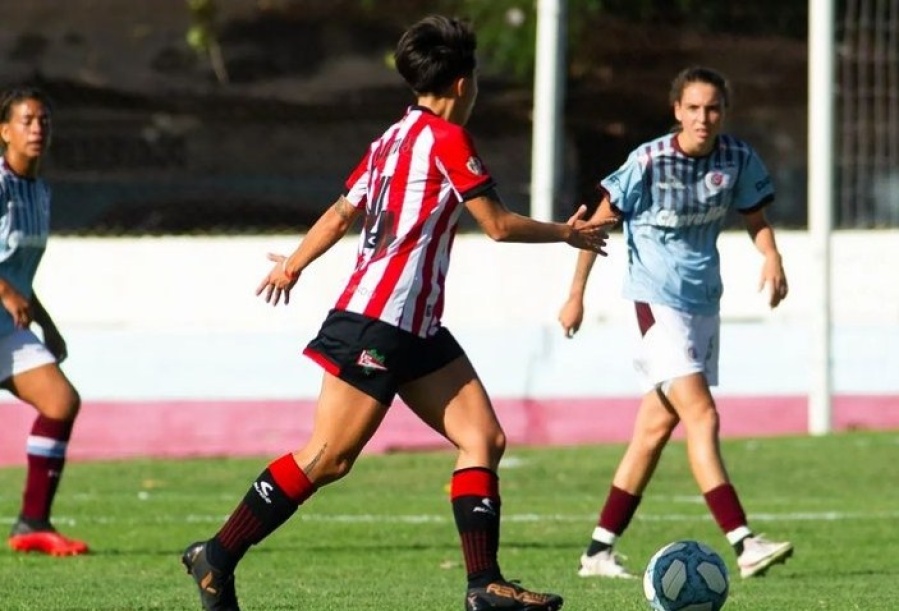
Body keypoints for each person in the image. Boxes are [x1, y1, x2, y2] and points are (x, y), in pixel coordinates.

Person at [182, 15, 615, 611]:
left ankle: (482, 585)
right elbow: (496, 225)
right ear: (464, 84)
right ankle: (217, 556)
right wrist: (567, 232)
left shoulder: (389, 139)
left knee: (482, 437)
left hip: (416, 326)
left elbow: (340, 213)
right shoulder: (446, 139)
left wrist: (295, 266)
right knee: (327, 458)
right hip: (378, 322)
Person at [557, 66, 793, 580]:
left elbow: (756, 219)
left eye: (712, 108)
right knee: (702, 417)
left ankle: (598, 552)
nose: (703, 117)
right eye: (693, 108)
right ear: (676, 111)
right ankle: (744, 541)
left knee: (654, 430)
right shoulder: (648, 161)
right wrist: (575, 295)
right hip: (654, 303)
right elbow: (597, 225)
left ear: (723, 112)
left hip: (702, 306)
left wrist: (771, 257)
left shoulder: (737, 158)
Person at [0, 86, 88, 556]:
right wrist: (7, 291)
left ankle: (32, 522)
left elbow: (18, 272)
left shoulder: (40, 191)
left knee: (60, 401)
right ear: (4, 131)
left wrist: (47, 324)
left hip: (6, 327)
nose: (37, 129)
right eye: (27, 120)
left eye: (44, 121)